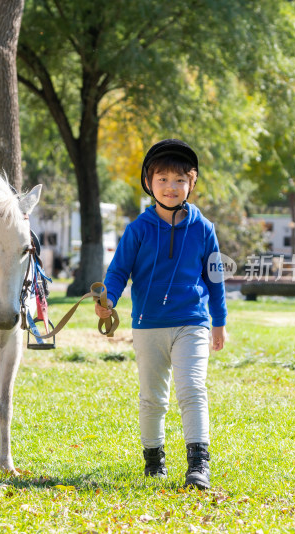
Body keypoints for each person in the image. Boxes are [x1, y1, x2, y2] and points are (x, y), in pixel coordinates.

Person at [94, 139, 227, 490]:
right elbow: (119, 271)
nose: (171, 187)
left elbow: (214, 278)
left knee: (192, 388)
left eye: (180, 180)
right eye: (163, 179)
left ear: (191, 184)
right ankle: (154, 461)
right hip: (148, 323)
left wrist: (220, 322)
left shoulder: (203, 228)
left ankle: (199, 465)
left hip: (192, 321)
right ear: (149, 183)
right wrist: (107, 298)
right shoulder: (138, 229)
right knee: (153, 397)